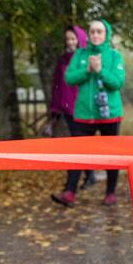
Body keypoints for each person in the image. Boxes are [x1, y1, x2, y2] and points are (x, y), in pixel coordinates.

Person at [51, 19, 125, 207]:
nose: (96, 35)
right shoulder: (79, 54)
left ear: (106, 34)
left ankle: (110, 192)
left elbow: (117, 83)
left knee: (111, 156)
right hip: (83, 113)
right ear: (88, 35)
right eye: (92, 32)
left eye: (100, 32)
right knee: (77, 154)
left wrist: (100, 71)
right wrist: (87, 70)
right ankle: (69, 192)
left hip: (109, 114)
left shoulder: (114, 56)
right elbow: (69, 78)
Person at [47, 25, 96, 190]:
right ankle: (87, 176)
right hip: (66, 107)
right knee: (78, 143)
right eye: (67, 39)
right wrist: (55, 107)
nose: (69, 42)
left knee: (79, 143)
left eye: (73, 38)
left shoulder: (86, 59)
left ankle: (76, 182)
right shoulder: (62, 60)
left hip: (82, 106)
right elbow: (57, 85)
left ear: (79, 40)